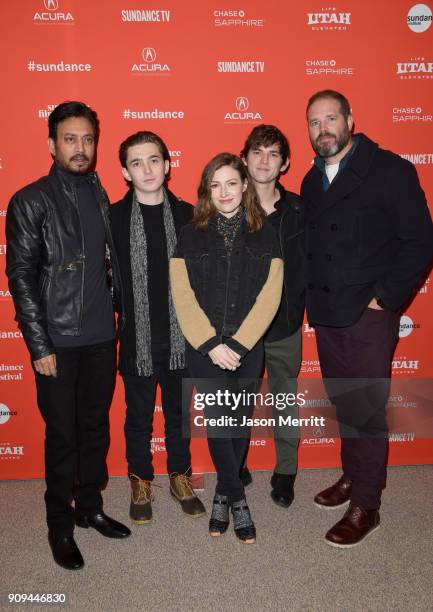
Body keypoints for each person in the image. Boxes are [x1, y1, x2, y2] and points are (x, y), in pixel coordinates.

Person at [301, 89, 433, 547]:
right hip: (327, 312)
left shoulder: (389, 169)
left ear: (351, 120)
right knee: (345, 403)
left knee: (366, 408)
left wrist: (385, 300)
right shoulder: (311, 181)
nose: (324, 130)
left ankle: (368, 504)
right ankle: (353, 477)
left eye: (331, 119)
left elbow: (420, 240)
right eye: (314, 123)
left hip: (367, 313)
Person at [5, 101, 130, 571]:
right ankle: (58, 522)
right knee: (62, 436)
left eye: (88, 139)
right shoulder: (31, 199)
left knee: (95, 428)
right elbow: (20, 276)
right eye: (70, 139)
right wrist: (39, 347)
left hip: (101, 337)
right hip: (57, 340)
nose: (81, 148)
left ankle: (90, 507)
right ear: (52, 144)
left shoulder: (98, 191)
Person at [170, 153, 283, 543]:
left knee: (238, 424)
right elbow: (182, 296)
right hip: (204, 348)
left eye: (231, 183)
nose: (224, 192)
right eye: (214, 185)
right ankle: (238, 501)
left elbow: (270, 295)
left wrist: (236, 343)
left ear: (245, 185)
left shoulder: (266, 232)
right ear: (206, 191)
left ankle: (222, 489)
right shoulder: (189, 234)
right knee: (220, 424)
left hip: (248, 346)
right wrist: (211, 344)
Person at [110, 131, 205, 524]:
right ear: (125, 172)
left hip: (182, 340)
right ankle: (140, 479)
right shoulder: (112, 217)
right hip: (137, 340)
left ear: (168, 165)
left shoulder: (189, 215)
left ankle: (180, 477)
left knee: (179, 416)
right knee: (138, 417)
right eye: (137, 162)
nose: (146, 169)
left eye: (154, 160)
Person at [241, 125, 305, 508]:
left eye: (273, 154)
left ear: (285, 163)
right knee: (236, 399)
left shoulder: (298, 210)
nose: (264, 160)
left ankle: (286, 471)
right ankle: (235, 466)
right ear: (245, 157)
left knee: (284, 397)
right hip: (240, 328)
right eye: (258, 152)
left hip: (284, 323)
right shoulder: (226, 204)